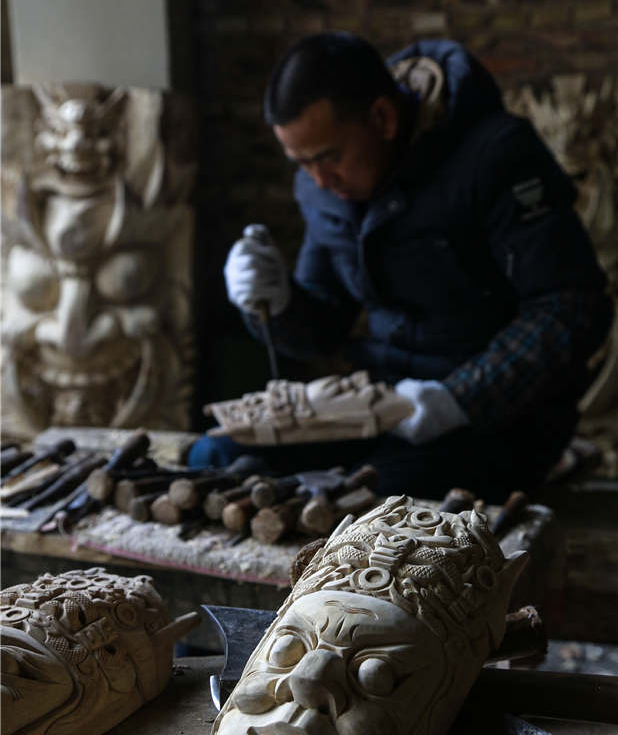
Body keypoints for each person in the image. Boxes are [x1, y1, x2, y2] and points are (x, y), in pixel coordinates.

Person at [189, 32, 612, 501]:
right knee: (213, 458)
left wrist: (458, 399)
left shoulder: (497, 155)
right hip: (380, 403)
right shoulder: (324, 187)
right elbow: (321, 329)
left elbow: (572, 307)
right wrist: (274, 300)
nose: (319, 181)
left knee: (369, 503)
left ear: (383, 118)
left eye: (328, 157)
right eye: (302, 162)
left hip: (499, 418)